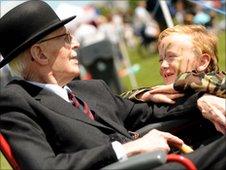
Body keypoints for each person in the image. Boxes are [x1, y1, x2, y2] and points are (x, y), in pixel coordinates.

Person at [0, 1, 225, 170]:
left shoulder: (91, 89)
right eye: (65, 38)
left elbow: (155, 110)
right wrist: (126, 149)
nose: (77, 44)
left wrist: (206, 97)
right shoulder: (16, 100)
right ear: (39, 53)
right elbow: (44, 167)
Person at [122, 25, 226, 134]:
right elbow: (116, 102)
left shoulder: (217, 82)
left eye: (171, 57)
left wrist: (188, 87)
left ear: (202, 62)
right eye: (161, 60)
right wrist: (145, 95)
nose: (163, 65)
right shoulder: (160, 95)